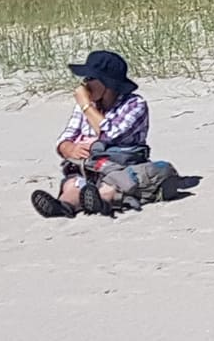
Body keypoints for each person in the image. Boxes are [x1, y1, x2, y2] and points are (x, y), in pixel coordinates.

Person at [33, 50, 170, 217]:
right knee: (73, 184)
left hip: (120, 165)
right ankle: (64, 205)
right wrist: (68, 148)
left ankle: (102, 202)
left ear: (107, 83)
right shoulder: (88, 105)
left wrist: (86, 106)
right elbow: (67, 136)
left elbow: (112, 134)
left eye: (90, 78)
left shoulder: (134, 104)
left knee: (114, 184)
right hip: (89, 165)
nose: (84, 83)